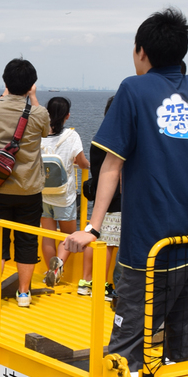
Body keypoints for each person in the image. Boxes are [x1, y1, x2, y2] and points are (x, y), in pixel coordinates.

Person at [64, 8, 188, 376]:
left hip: (151, 246)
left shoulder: (133, 90)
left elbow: (112, 165)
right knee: (181, 344)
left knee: (125, 351)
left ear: (141, 52)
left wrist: (92, 228)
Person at [0, 59, 51, 310]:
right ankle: (24, 295)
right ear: (31, 86)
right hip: (29, 189)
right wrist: (32, 97)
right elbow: (46, 132)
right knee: (27, 240)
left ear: (5, 82)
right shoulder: (39, 113)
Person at [40, 97, 90, 292]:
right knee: (68, 236)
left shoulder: (40, 135)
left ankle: (49, 271)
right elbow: (82, 162)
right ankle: (58, 266)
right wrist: (88, 166)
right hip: (64, 195)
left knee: (47, 236)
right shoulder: (71, 137)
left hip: (43, 194)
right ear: (67, 116)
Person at [78, 95, 123, 297]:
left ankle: (88, 281)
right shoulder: (121, 140)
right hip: (118, 199)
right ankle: (103, 285)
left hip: (100, 198)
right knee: (111, 244)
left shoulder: (99, 139)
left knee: (96, 238)